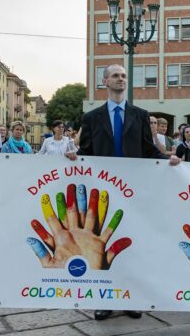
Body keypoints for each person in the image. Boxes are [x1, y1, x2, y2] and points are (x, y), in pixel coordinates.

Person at [70, 64, 178, 321]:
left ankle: (132, 297)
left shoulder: (140, 114)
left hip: (133, 191)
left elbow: (147, 148)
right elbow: (87, 151)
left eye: (123, 76)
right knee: (102, 244)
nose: (121, 79)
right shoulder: (92, 117)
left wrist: (168, 159)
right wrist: (74, 157)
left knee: (132, 243)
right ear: (105, 81)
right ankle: (104, 299)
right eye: (115, 76)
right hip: (103, 190)